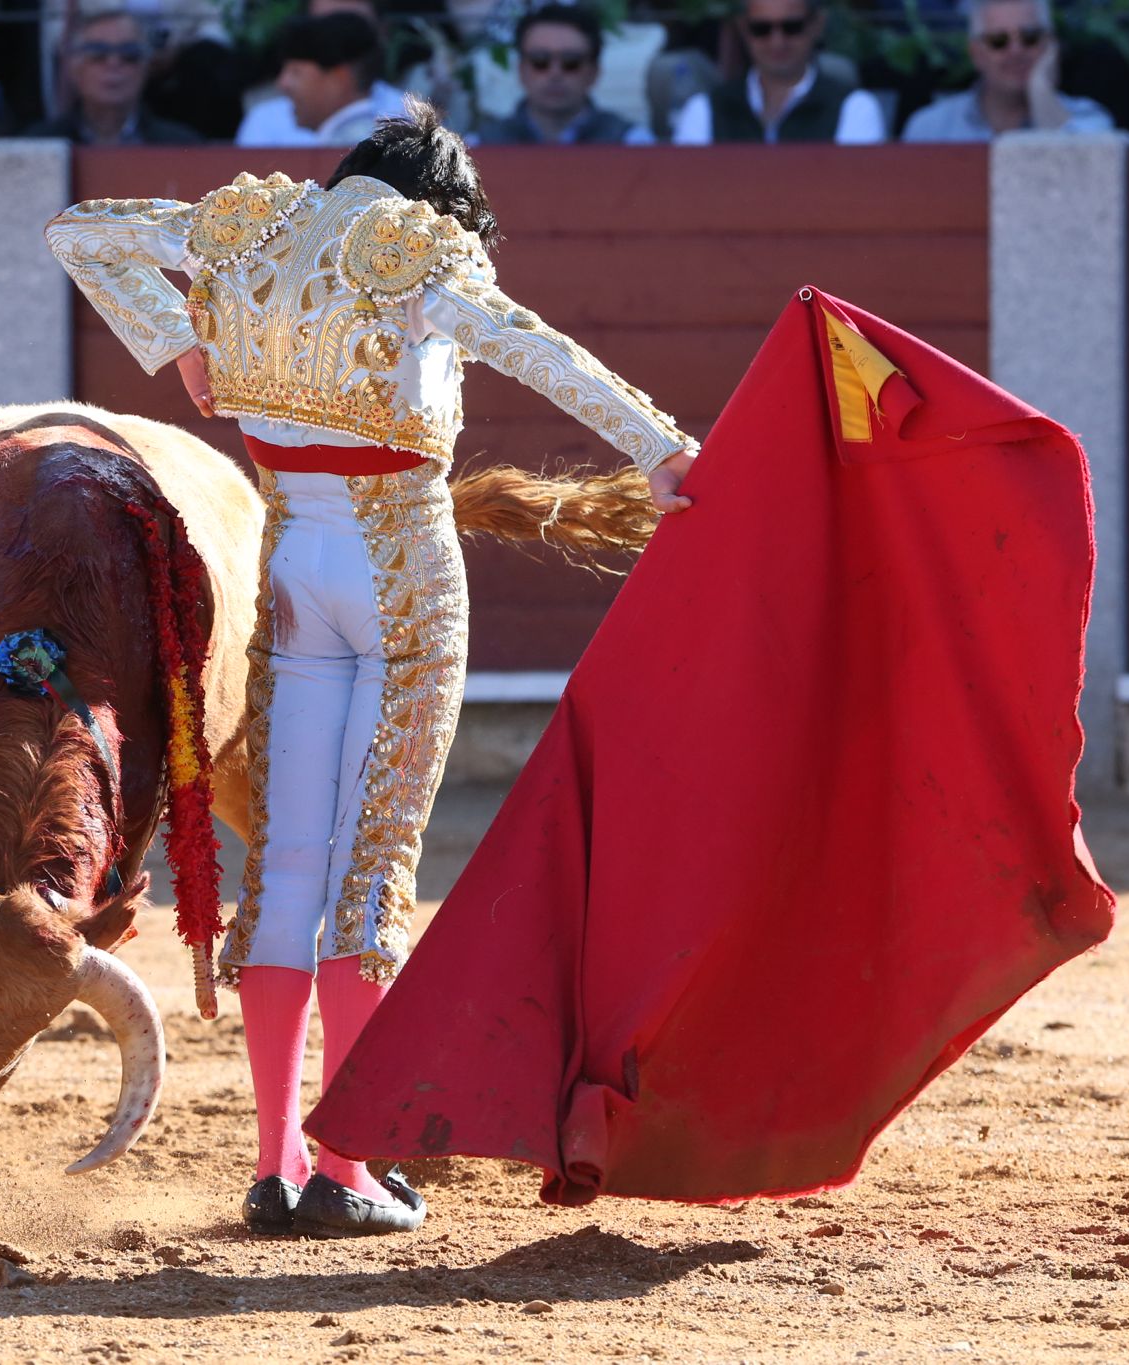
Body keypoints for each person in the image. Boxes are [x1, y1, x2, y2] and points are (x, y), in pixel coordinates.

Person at [47, 101, 698, 1237]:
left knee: (288, 866)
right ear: (443, 205)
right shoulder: (418, 250)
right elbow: (539, 354)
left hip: (292, 573)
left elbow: (80, 230)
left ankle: (274, 1163)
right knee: (368, 873)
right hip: (400, 586)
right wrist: (659, 449)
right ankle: (348, 1164)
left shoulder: (243, 231)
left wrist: (183, 346)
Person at [670, 0, 884, 144]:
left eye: (791, 27)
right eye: (761, 29)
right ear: (744, 28)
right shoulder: (704, 110)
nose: (777, 41)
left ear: (816, 25)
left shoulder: (854, 108)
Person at [901, 0, 1114, 141]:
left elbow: (1087, 183)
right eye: (998, 41)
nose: (1016, 50)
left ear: (1051, 46)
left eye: (1030, 37)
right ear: (976, 54)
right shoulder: (931, 128)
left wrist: (1041, 92)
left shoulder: (1088, 119)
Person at [472, 3, 653, 145]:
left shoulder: (631, 142)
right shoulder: (479, 146)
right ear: (521, 69)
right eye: (540, 61)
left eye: (571, 62)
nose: (555, 73)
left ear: (594, 72)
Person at [235, 0, 407, 148]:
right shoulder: (264, 121)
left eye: (296, 72)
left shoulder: (407, 117)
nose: (283, 83)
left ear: (340, 77)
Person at [27, 4, 201, 145]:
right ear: (74, 67)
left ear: (145, 67)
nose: (113, 63)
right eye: (98, 53)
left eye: (129, 54)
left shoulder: (181, 145)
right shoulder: (39, 145)